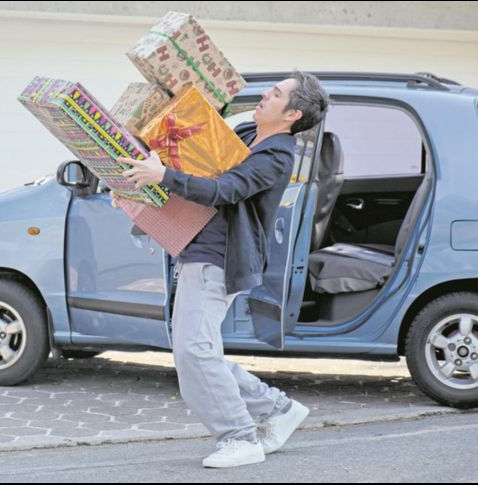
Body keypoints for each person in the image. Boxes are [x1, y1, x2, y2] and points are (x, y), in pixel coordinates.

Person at [115, 71, 330, 468]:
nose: (265, 94)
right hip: (197, 247)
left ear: (292, 114)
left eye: (277, 93)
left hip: (220, 256)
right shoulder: (249, 133)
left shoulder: (278, 155)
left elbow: (224, 189)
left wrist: (162, 176)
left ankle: (239, 437)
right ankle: (277, 409)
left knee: (194, 352)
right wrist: (140, 186)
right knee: (198, 352)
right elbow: (197, 160)